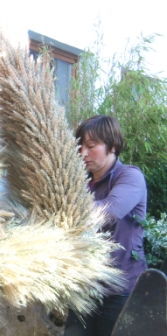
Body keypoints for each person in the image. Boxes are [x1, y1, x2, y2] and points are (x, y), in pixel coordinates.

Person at [64, 115, 148, 336]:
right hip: (86, 288)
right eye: (80, 146)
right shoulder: (81, 184)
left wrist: (62, 206)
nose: (83, 153)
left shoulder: (130, 177)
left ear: (112, 146)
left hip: (122, 291)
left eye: (91, 146)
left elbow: (110, 210)